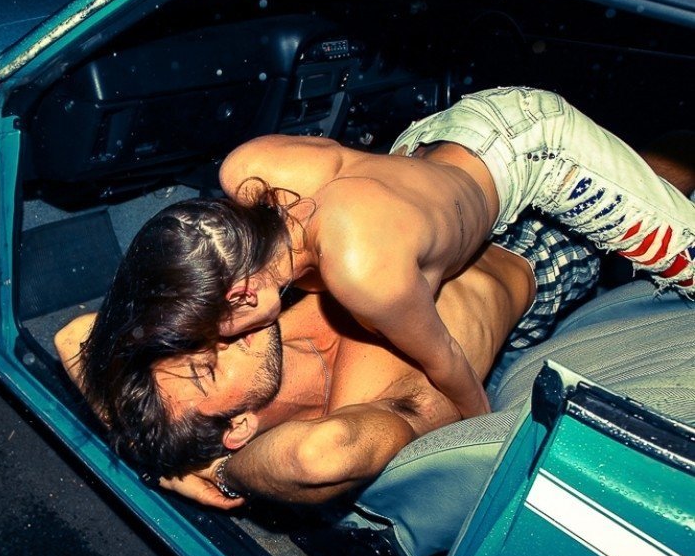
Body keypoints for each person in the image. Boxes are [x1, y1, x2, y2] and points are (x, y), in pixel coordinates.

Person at [89, 87, 695, 422]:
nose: (227, 343)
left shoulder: (362, 273)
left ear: (242, 292)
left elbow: (448, 363)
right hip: (439, 137)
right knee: (656, 169)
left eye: (221, 332)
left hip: (533, 148)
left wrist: (476, 424)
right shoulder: (248, 169)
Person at [56, 215, 598, 508]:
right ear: (238, 426)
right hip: (530, 252)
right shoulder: (368, 412)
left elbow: (74, 335)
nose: (212, 340)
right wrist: (220, 474)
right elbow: (320, 455)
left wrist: (158, 461)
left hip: (428, 205)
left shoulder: (258, 318)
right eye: (206, 368)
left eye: (187, 349)